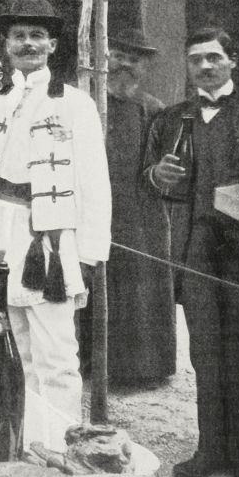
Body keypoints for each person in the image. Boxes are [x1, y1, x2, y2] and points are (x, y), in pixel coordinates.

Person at [0, 0, 110, 422]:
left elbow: (95, 182)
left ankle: (57, 440)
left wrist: (90, 252)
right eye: (18, 36)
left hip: (50, 240)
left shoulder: (75, 103)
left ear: (53, 46)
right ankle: (19, 437)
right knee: (11, 342)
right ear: (6, 45)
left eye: (37, 36)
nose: (28, 44)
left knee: (56, 353)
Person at [145, 27, 239, 477]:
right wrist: (159, 175)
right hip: (197, 248)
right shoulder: (173, 118)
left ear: (231, 61)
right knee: (206, 351)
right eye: (196, 60)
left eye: (213, 57)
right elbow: (147, 179)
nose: (205, 67)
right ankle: (211, 450)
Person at [77, 29, 175, 384]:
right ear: (104, 57)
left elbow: (162, 165)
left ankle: (141, 369)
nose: (126, 64)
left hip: (138, 214)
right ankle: (88, 363)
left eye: (135, 59)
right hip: (89, 208)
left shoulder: (154, 110)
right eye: (119, 55)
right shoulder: (83, 102)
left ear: (144, 67)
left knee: (137, 286)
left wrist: (160, 173)